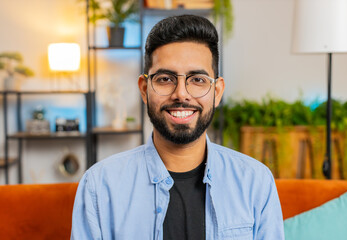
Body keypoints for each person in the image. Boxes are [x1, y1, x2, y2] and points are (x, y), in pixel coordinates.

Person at [71, 15, 284, 240]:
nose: (181, 93)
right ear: (144, 89)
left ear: (217, 92)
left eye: (197, 80)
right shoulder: (100, 186)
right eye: (165, 79)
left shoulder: (255, 181)